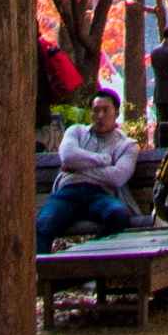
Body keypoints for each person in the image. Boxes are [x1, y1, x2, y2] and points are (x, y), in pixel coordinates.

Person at [37, 79, 143, 247]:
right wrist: (103, 160)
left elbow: (117, 177)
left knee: (118, 215)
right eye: (95, 111)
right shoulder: (76, 132)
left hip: (100, 195)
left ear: (116, 113)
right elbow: (68, 157)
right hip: (68, 192)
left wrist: (78, 169)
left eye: (105, 110)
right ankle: (40, 271)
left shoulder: (127, 145)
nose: (100, 115)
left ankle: (93, 254)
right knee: (44, 223)